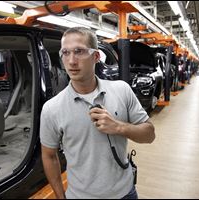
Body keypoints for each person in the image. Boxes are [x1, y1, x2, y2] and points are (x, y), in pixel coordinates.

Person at [40, 27, 155, 199]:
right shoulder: (52, 108)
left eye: (79, 51)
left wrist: (119, 127)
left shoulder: (122, 90)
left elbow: (149, 135)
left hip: (125, 193)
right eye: (65, 52)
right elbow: (49, 156)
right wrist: (59, 196)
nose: (71, 61)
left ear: (96, 56)